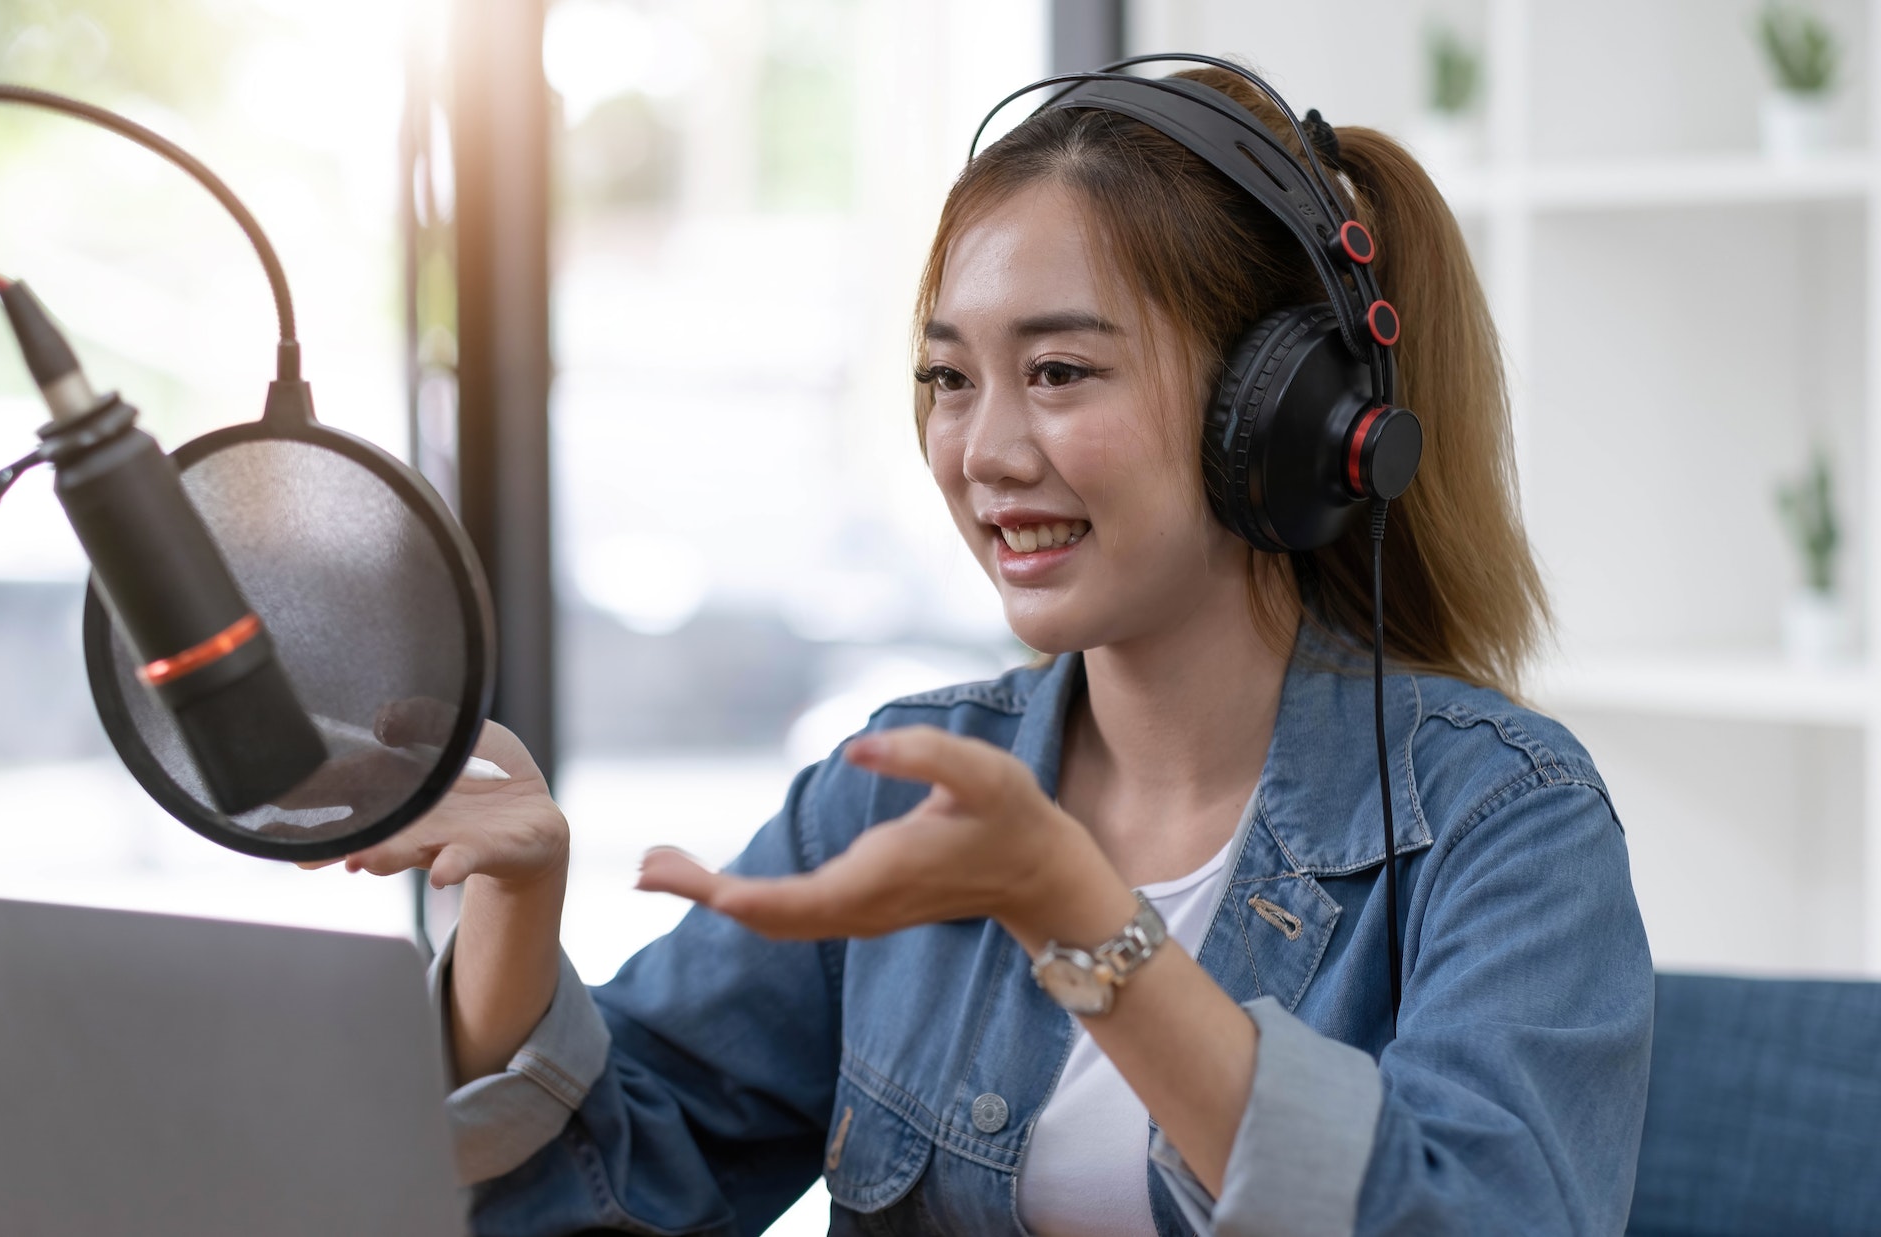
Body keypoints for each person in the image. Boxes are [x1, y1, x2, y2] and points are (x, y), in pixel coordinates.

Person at [329, 63, 1654, 1236]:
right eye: (950, 376)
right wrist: (510, 928)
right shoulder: (901, 780)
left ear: (1282, 418)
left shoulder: (1503, 815)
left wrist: (1074, 909)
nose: (986, 452)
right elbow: (613, 1194)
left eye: (1062, 372)